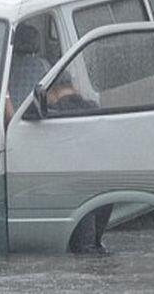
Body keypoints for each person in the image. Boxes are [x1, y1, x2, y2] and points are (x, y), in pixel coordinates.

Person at [47, 72, 113, 254]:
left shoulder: (52, 114)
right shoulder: (93, 107)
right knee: (95, 246)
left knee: (85, 251)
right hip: (104, 188)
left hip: (76, 189)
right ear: (74, 86)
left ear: (52, 91)